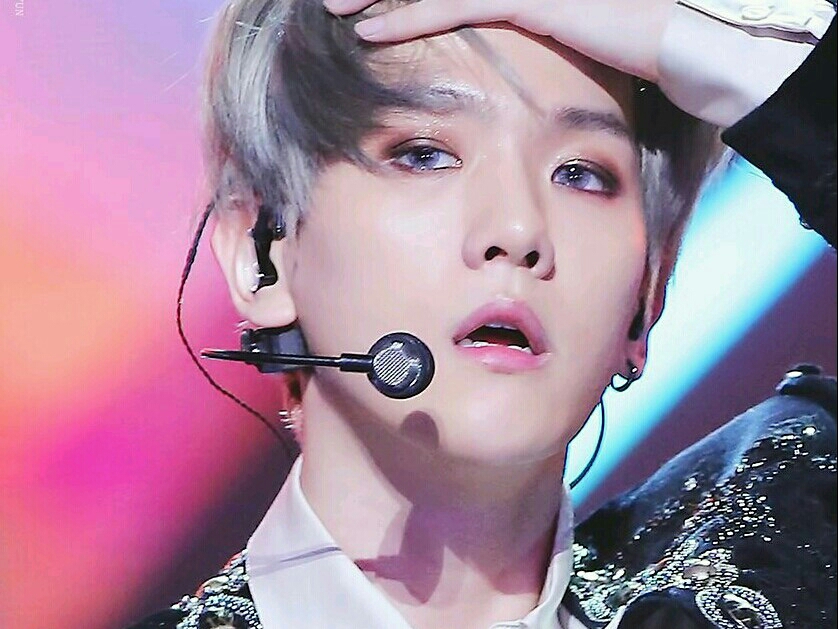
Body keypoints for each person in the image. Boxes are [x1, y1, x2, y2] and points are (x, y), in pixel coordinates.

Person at [128, 0, 836, 627]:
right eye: (425, 155)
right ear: (262, 255)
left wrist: (734, 53)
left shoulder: (784, 550)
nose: (519, 228)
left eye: (581, 174)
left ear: (650, 292)